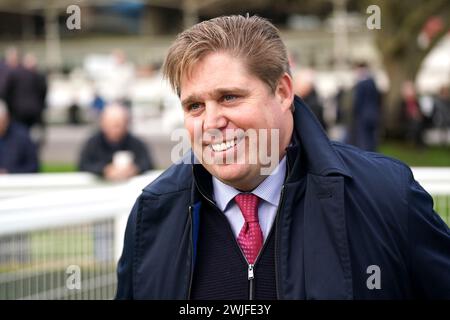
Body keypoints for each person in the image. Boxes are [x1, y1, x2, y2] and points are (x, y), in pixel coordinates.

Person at [115, 15, 450, 299]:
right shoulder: (153, 214)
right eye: (195, 106)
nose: (211, 122)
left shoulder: (387, 195)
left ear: (283, 92)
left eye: (229, 97)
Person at [78, 103, 153, 181]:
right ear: (103, 124)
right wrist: (104, 170)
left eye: (119, 125)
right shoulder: (93, 143)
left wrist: (135, 169)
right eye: (112, 125)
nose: (116, 130)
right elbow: (83, 165)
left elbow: (148, 164)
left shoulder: (136, 143)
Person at [0, 100, 39, 173]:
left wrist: (9, 172)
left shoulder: (22, 136)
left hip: (16, 182)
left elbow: (34, 166)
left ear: (6, 117)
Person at [352, 62, 381, 151]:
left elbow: (358, 102)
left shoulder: (361, 84)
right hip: (373, 114)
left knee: (364, 140)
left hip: (363, 116)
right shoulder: (373, 82)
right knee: (372, 139)